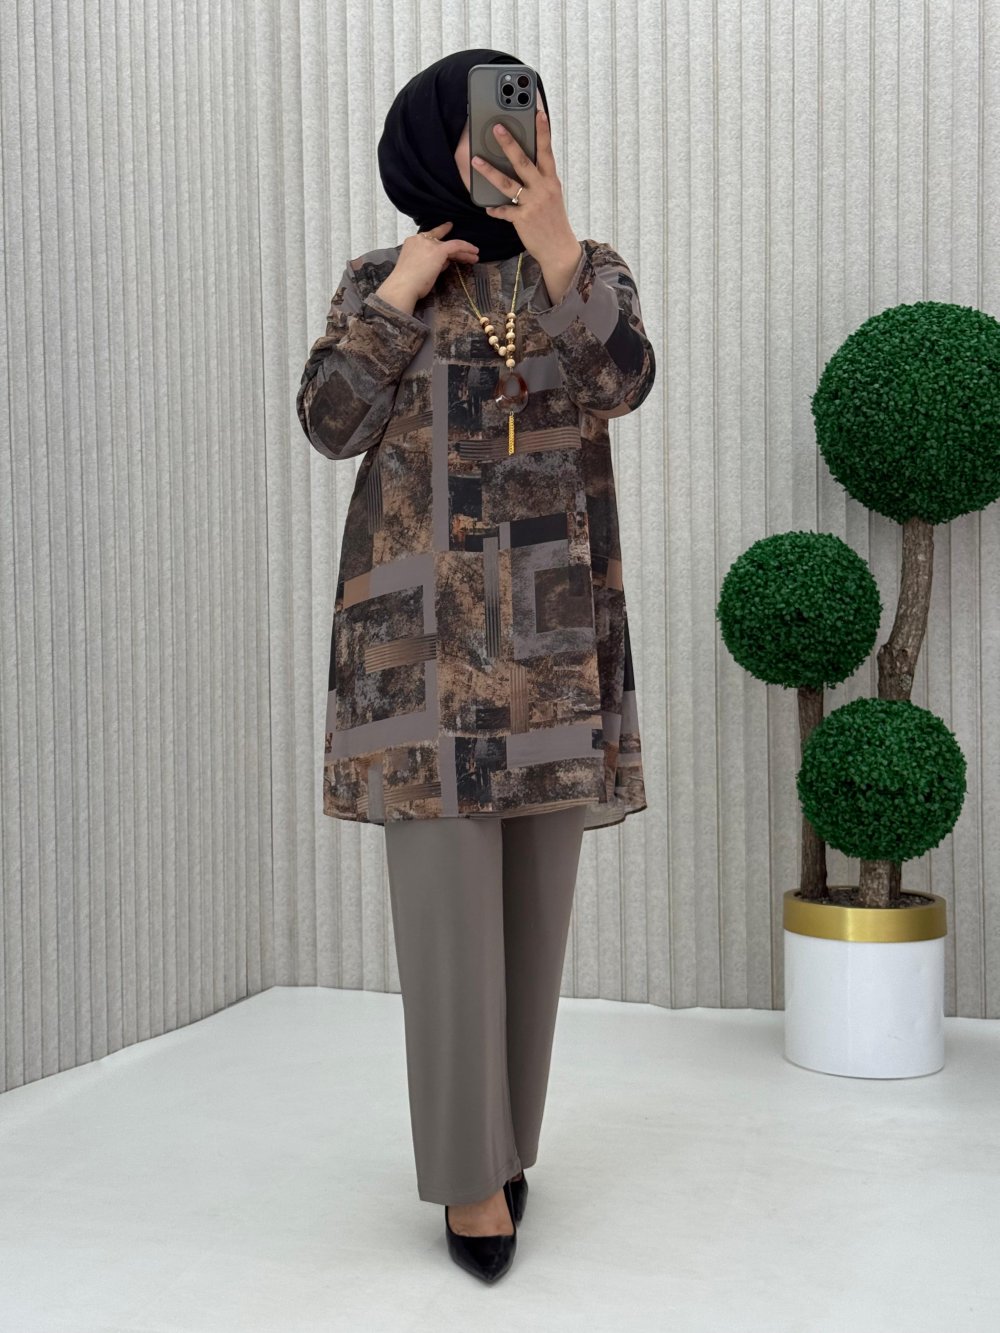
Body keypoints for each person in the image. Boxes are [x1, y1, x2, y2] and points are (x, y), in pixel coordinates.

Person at [295, 49, 655, 1284]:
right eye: (493, 126)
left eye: (531, 122)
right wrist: (400, 292)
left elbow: (623, 383)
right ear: (432, 140)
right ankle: (467, 1182)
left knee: (532, 928)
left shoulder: (588, 271)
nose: (516, 143)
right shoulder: (378, 279)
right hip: (422, 659)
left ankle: (505, 1149)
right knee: (447, 928)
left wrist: (556, 251)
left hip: (552, 650)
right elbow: (329, 422)